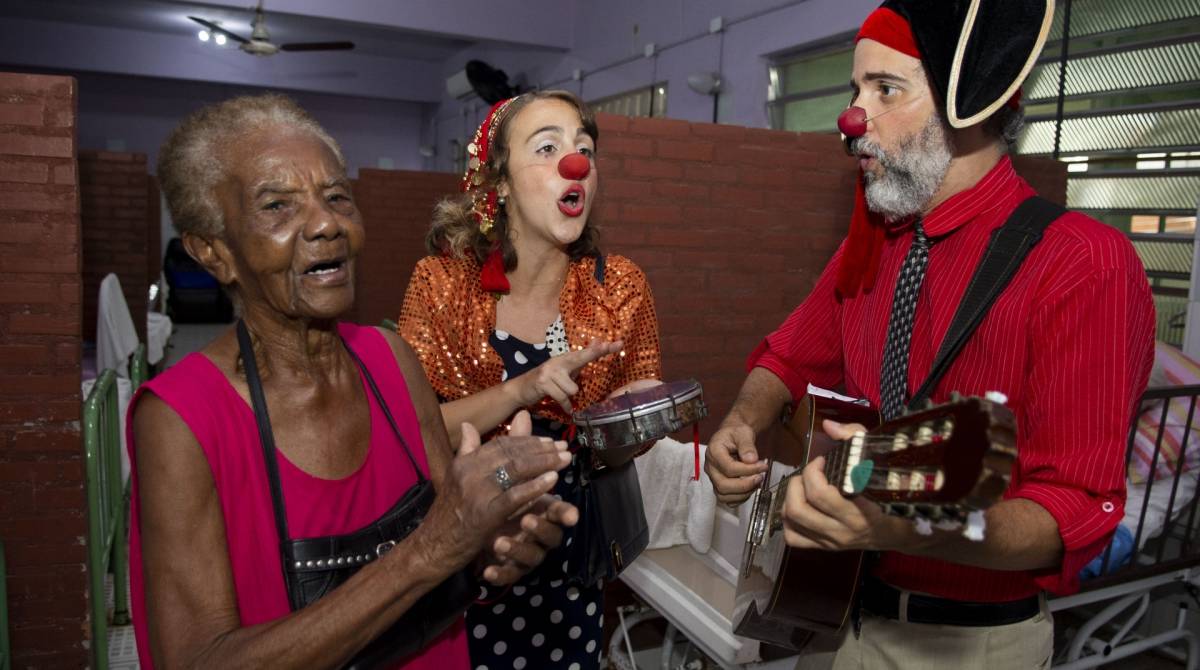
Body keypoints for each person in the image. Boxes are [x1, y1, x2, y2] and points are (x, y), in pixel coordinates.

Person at [705, 2, 1156, 668]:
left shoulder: (1082, 262)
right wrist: (742, 421)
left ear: (968, 104)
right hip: (836, 616)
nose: (853, 119)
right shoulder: (873, 246)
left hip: (967, 645)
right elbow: (786, 357)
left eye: (886, 89)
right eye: (855, 90)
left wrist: (917, 530)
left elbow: (1074, 508)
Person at [128, 94, 578, 669]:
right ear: (214, 253)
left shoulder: (390, 361)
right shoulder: (181, 416)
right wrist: (432, 549)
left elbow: (454, 545)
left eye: (337, 195)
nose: (327, 223)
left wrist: (497, 544)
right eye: (277, 206)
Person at [398, 90, 663, 670]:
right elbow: (415, 434)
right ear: (500, 181)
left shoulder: (620, 287)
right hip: (460, 566)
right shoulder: (441, 283)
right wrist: (526, 387)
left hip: (571, 572)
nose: (576, 164)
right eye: (548, 148)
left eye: (585, 149)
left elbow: (623, 449)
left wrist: (625, 426)